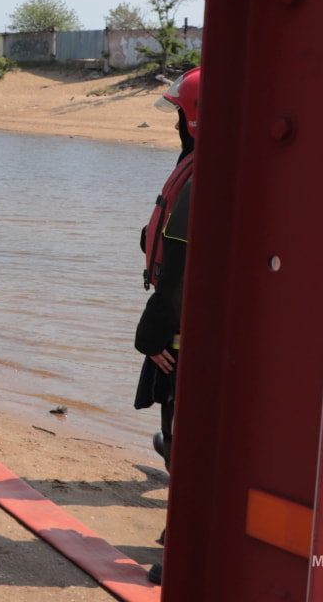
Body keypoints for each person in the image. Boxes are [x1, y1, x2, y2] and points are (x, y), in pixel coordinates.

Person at [133, 66, 201, 585]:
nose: (176, 121)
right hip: (186, 327)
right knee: (179, 437)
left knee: (184, 438)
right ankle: (179, 531)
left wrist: (150, 334)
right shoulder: (201, 166)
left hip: (180, 336)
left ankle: (186, 548)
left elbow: (178, 264)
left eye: (179, 112)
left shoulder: (203, 173)